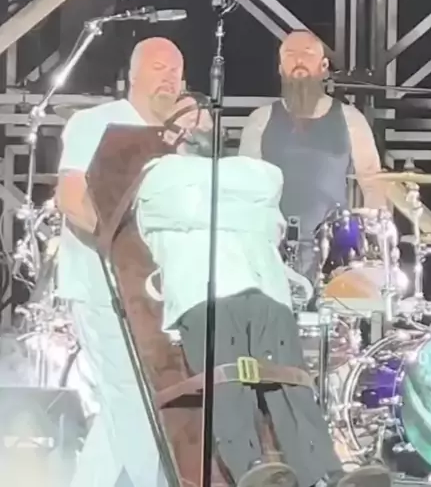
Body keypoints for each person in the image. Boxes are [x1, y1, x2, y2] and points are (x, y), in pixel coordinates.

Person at [135, 101, 392, 487]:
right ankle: (251, 470)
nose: (198, 120)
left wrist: (213, 210)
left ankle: (327, 475)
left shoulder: (252, 171)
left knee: (292, 383)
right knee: (227, 382)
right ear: (170, 132)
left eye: (204, 115)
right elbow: (186, 209)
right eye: (187, 115)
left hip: (265, 285)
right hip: (204, 286)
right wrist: (242, 212)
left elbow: (270, 196)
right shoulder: (159, 173)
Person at [54, 37, 185, 487]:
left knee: (125, 404)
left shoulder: (178, 143)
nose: (169, 77)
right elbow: (71, 197)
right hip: (101, 285)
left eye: (176, 70)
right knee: (133, 398)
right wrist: (119, 246)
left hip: (148, 294)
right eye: (158, 67)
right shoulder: (97, 121)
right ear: (132, 74)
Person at [238, 30, 387, 275]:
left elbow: (373, 182)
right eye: (290, 54)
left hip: (337, 251)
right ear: (280, 68)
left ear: (324, 67)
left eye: (307, 54)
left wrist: (376, 239)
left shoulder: (351, 119)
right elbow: (243, 189)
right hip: (270, 250)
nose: (298, 60)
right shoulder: (260, 120)